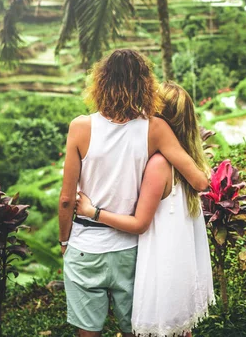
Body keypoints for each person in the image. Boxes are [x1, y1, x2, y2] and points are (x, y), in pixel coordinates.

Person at [58, 49, 209, 337]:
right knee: (136, 330)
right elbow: (199, 181)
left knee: (87, 332)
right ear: (145, 84)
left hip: (85, 245)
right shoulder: (154, 128)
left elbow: (67, 199)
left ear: (100, 82)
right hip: (130, 248)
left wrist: (64, 240)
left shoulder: (80, 127)